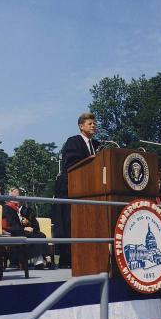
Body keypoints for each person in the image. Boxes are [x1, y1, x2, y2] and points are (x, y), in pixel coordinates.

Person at [52, 112, 100, 268]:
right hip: (69, 187)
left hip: (89, 191)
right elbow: (71, 163)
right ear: (81, 126)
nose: (93, 125)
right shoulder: (74, 141)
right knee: (68, 223)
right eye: (89, 123)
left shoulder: (97, 145)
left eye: (94, 123)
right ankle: (67, 258)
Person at [2, 187, 48, 269]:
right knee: (38, 236)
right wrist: (23, 228)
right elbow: (10, 225)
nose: (18, 198)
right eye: (15, 196)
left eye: (19, 195)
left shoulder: (27, 210)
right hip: (15, 232)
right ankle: (38, 262)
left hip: (24, 231)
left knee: (40, 235)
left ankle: (39, 261)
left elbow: (36, 225)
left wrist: (28, 222)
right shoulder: (7, 208)